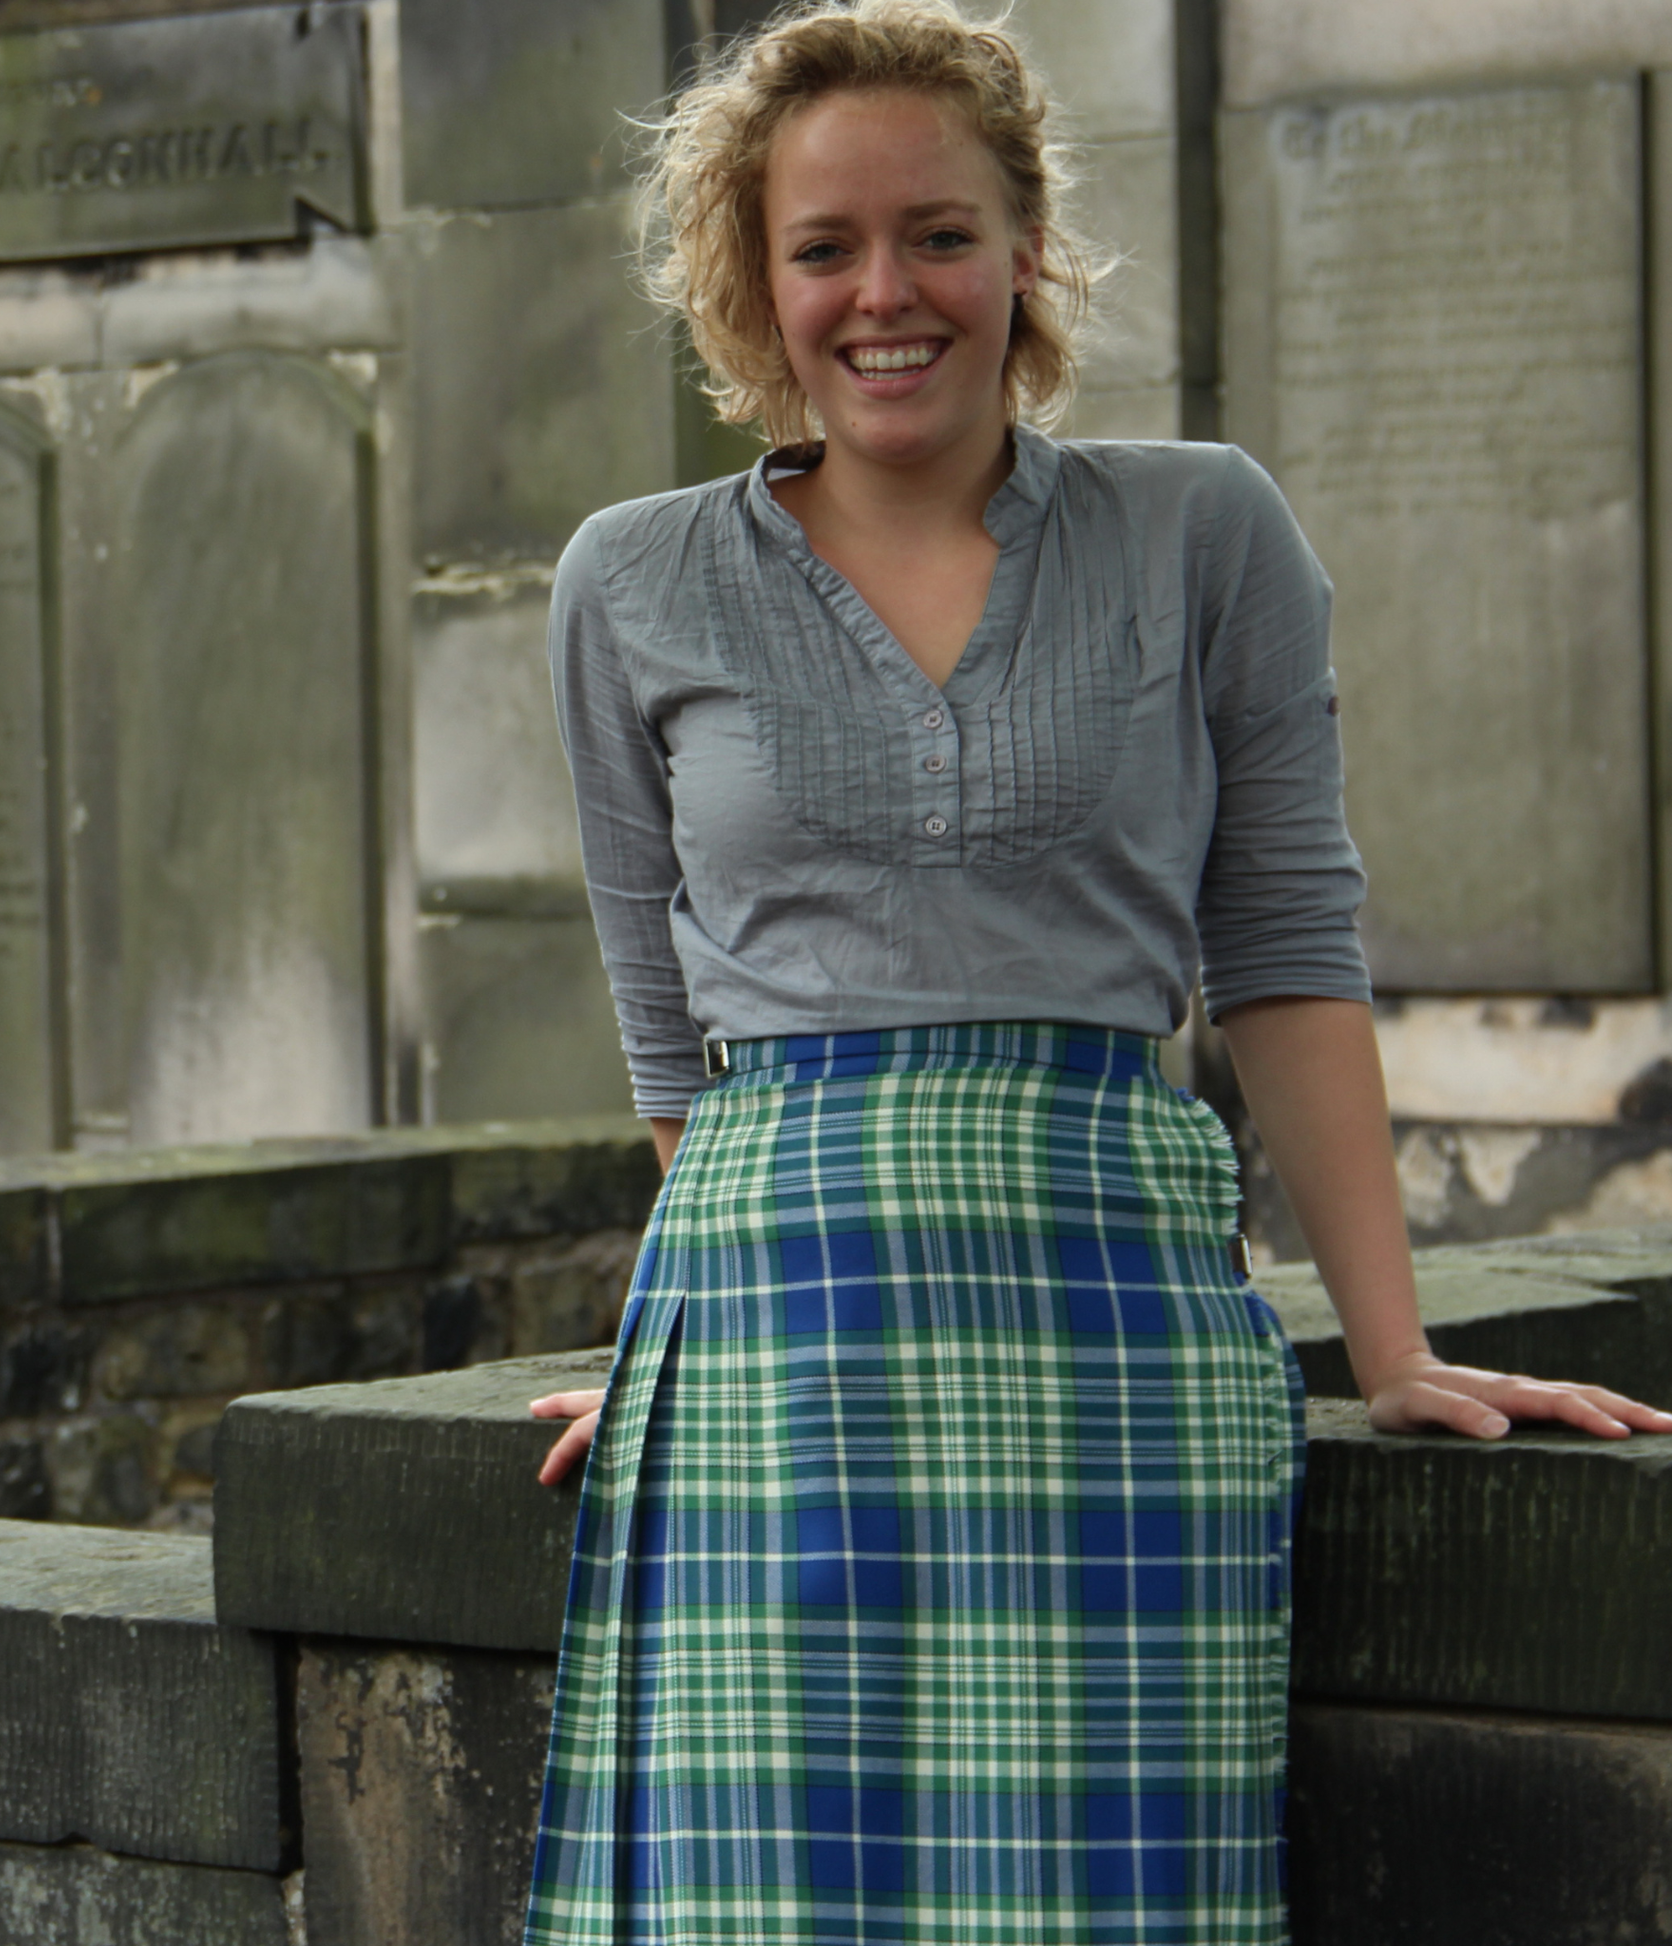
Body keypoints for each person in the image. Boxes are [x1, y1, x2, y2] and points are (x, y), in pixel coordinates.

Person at [518, 4, 1672, 1940]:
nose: (886, 293)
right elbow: (662, 1011)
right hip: (770, 1345)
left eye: (939, 233)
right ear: (752, 275)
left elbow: (1289, 947)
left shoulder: (1200, 527)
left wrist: (1387, 1351)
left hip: (1111, 1327)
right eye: (823, 248)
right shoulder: (630, 577)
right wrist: (681, 1348)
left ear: (1026, 245)